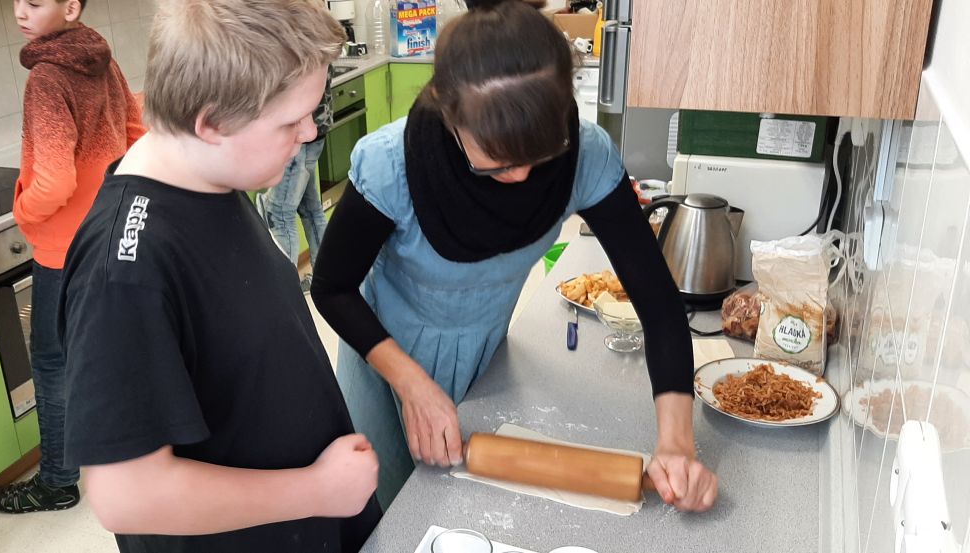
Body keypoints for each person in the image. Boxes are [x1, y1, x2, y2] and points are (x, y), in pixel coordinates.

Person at [311, 0, 719, 511]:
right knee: (395, 510)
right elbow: (332, 288)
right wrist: (411, 383)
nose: (522, 177)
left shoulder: (585, 155)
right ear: (449, 115)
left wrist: (677, 443)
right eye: (497, 164)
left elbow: (658, 303)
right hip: (385, 354)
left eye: (540, 157)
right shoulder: (392, 165)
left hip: (487, 357)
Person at [57, 0, 381, 551]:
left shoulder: (213, 179)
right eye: (290, 121)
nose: (308, 133)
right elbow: (125, 496)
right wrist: (316, 490)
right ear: (210, 123)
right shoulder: (125, 272)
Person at [0, 0, 144, 514]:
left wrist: (25, 212)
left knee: (53, 363)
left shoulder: (47, 78)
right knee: (113, 346)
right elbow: (136, 135)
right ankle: (133, 454)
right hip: (109, 232)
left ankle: (57, 482)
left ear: (71, 7)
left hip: (63, 249)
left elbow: (55, 180)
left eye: (35, 2)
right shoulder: (101, 57)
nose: (20, 11)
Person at [256, 68, 334, 290]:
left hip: (295, 136)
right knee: (311, 209)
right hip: (317, 128)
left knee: (279, 213)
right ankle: (326, 280)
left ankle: (286, 291)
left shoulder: (294, 51)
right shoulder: (316, 47)